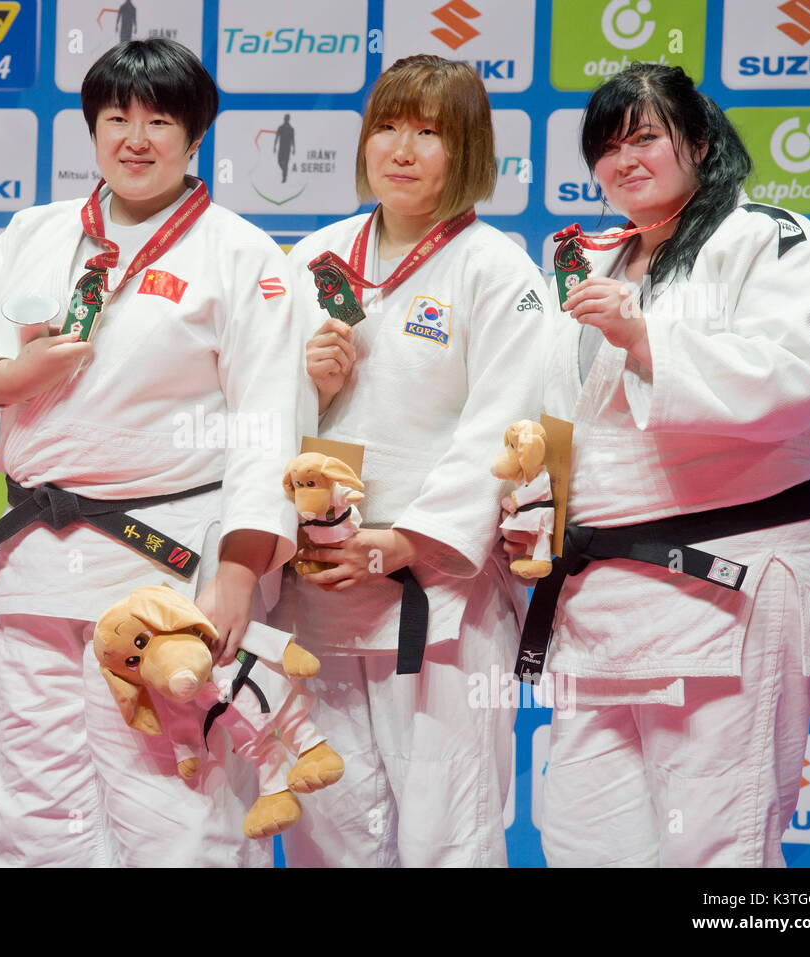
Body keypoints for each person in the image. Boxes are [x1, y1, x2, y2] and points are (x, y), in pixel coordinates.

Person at [0, 38, 303, 867]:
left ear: (194, 137)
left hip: (167, 569)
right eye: (116, 117)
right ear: (91, 128)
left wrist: (237, 569)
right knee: (33, 804)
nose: (135, 137)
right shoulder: (36, 232)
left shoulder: (242, 255)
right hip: (39, 559)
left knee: (174, 803)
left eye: (158, 120)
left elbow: (270, 419)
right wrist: (12, 372)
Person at [512, 62, 810, 867]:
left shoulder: (775, 241)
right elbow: (554, 423)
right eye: (605, 147)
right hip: (602, 607)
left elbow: (792, 380)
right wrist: (530, 512)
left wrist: (646, 339)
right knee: (583, 840)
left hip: (724, 588)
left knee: (720, 850)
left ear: (700, 142)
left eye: (644, 137)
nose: (622, 160)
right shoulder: (594, 264)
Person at [272, 55, 548, 867]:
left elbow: (504, 426)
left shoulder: (497, 271)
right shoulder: (313, 258)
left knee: (447, 834)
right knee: (331, 825)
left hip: (435, 593)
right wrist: (309, 388)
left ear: (466, 150)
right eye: (387, 126)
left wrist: (407, 540)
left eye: (429, 133)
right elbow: (256, 416)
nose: (401, 148)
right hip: (319, 588)